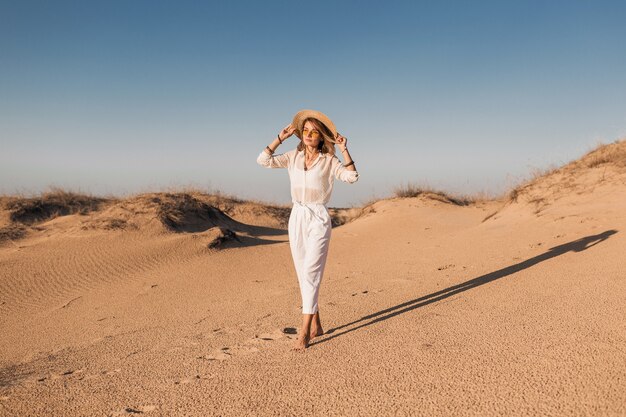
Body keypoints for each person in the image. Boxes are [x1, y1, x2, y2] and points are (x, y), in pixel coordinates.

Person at [256, 109, 359, 350]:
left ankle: (304, 332)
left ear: (322, 137)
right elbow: (263, 160)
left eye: (314, 132)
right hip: (297, 216)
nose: (309, 135)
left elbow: (352, 177)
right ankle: (317, 325)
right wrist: (279, 138)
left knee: (312, 271)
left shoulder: (329, 161)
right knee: (304, 273)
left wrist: (344, 148)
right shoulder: (292, 156)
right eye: (305, 131)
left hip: (319, 217)